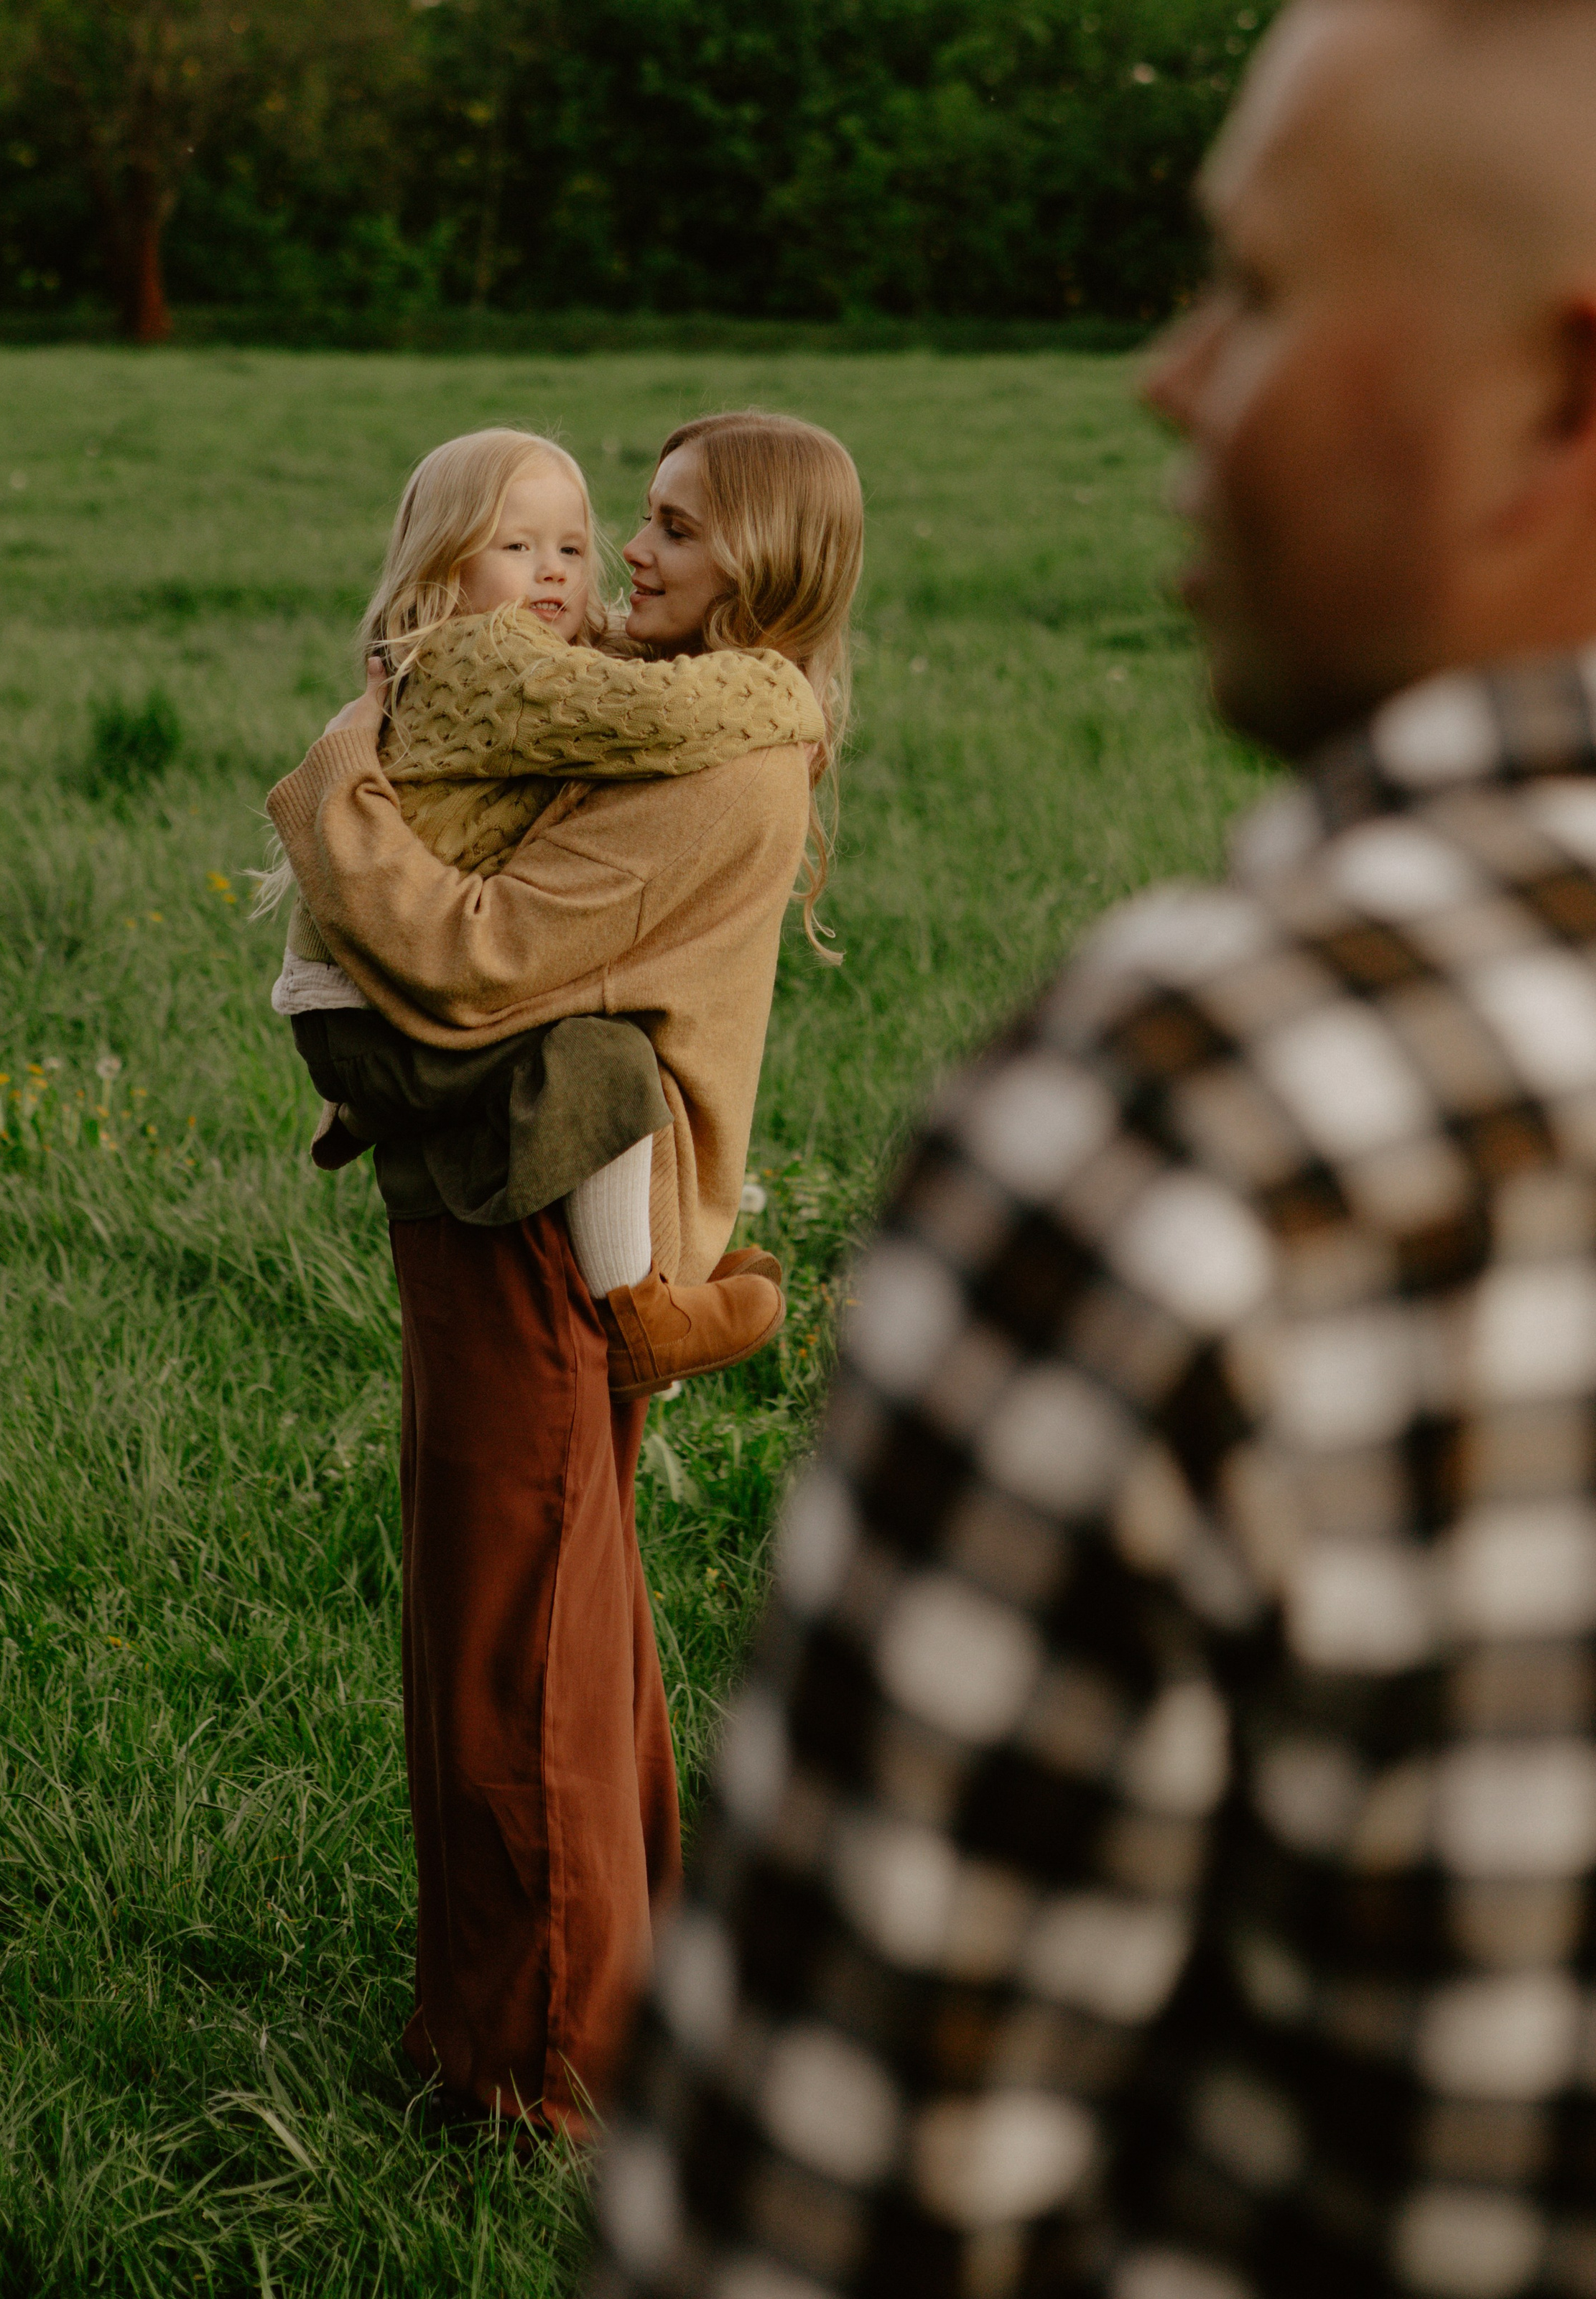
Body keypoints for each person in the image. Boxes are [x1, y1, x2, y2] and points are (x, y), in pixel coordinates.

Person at [585, 3, 1596, 2293]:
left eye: (1255, 291)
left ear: (1559, 393)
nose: (1167, 375)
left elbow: (799, 2225)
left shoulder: (1210, 1123)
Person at [266, 412, 865, 2140]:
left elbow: (475, 963)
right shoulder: (658, 711)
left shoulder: (719, 761)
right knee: (556, 1618)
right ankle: (570, 2001)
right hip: (529, 1189)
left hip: (538, 1210)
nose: (629, 563)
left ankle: (539, 2070)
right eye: (633, 526)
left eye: (671, 531)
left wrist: (337, 788)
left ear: (758, 559)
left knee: (512, 1637)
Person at [261, 425, 820, 1394]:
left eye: (572, 546)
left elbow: (602, 673)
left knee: (594, 1058)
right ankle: (639, 1317)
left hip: (363, 992)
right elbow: (640, 712)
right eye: (517, 548)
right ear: (445, 563)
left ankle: (645, 1295)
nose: (562, 572)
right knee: (600, 1063)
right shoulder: (490, 655)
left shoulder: (524, 654)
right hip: (364, 1002)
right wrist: (786, 692)